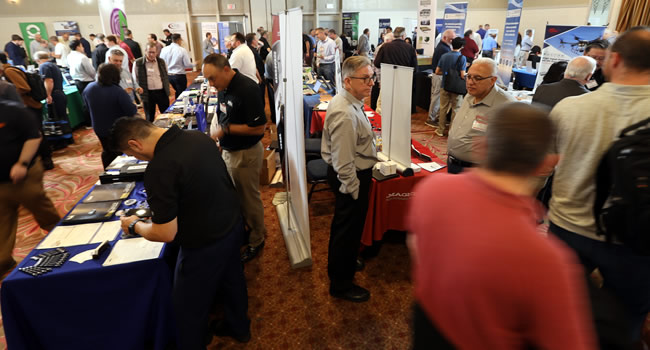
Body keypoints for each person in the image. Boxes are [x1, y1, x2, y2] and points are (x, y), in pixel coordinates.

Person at [408, 102, 598, 350]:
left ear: (481, 147)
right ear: (548, 163)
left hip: (426, 326)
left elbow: (417, 248)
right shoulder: (549, 262)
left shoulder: (431, 189)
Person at [548, 26, 650, 346]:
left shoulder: (570, 108)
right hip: (635, 237)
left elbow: (545, 167)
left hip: (568, 227)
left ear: (613, 60)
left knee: (558, 311)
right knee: (627, 319)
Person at [112, 117, 250, 348]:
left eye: (131, 153)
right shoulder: (198, 137)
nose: (136, 158)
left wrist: (134, 226)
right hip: (232, 224)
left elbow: (166, 233)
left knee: (187, 308)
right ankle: (239, 328)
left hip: (204, 243)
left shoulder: (160, 168)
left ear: (135, 144)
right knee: (233, 281)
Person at [321, 56, 378, 302]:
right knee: (347, 229)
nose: (371, 83)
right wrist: (354, 190)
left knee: (346, 228)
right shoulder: (345, 112)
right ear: (347, 81)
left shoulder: (350, 100)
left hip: (351, 174)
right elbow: (344, 162)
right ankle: (341, 283)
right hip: (350, 177)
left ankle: (342, 263)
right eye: (365, 78)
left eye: (372, 77)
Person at [205, 54, 267, 263]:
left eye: (212, 78)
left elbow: (259, 127)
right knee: (236, 197)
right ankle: (247, 230)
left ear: (225, 70)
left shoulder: (247, 89)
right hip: (230, 151)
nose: (211, 85)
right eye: (208, 80)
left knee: (249, 200)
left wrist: (226, 130)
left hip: (245, 154)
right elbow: (225, 114)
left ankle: (257, 239)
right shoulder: (224, 88)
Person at [0, 100, 61, 278]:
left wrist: (22, 163)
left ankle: (62, 235)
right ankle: (4, 260)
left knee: (41, 207)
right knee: (3, 219)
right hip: (1, 183)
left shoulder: (14, 111)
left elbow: (34, 137)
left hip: (25, 176)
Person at [447, 58, 515, 173]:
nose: (470, 82)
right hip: (452, 162)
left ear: (493, 80)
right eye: (468, 76)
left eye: (477, 78)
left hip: (477, 171)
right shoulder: (470, 94)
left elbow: (512, 146)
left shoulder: (507, 105)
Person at [1, 53, 54, 169]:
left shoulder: (9, 71)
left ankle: (46, 160)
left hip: (30, 106)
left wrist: (11, 93)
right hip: (26, 106)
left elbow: (24, 87)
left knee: (37, 133)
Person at [83, 63, 139, 168]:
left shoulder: (89, 88)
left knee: (107, 151)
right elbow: (130, 111)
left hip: (99, 127)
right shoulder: (117, 91)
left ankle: (107, 173)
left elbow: (86, 106)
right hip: (116, 128)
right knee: (119, 152)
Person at [373, 27, 418, 113]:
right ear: (403, 36)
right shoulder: (410, 48)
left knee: (383, 105)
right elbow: (415, 68)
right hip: (403, 82)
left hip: (387, 80)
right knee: (400, 106)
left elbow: (377, 63)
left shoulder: (385, 47)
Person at [435, 37, 467, 137]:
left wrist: (446, 74)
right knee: (456, 109)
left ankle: (440, 130)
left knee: (443, 108)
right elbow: (462, 75)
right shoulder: (462, 58)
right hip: (456, 87)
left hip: (444, 85)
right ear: (461, 46)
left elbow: (437, 71)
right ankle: (451, 132)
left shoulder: (444, 56)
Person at [133, 42, 170, 122]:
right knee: (149, 117)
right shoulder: (138, 63)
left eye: (153, 52)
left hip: (162, 92)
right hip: (148, 94)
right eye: (149, 52)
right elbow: (135, 79)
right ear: (145, 51)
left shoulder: (162, 62)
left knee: (166, 114)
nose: (151, 54)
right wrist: (139, 95)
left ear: (156, 52)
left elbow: (166, 76)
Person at [427, 29, 455, 127]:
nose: (453, 41)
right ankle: (432, 118)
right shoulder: (443, 49)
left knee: (437, 97)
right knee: (437, 97)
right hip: (439, 75)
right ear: (444, 38)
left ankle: (435, 117)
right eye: (451, 39)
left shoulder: (443, 47)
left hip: (438, 75)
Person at [36, 52, 68, 122]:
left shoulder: (43, 66)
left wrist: (48, 95)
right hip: (60, 93)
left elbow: (49, 81)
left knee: (56, 119)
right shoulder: (53, 65)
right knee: (63, 117)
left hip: (54, 95)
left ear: (37, 60)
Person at [160, 33, 193, 99]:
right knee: (182, 94)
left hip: (169, 76)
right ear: (178, 40)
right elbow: (187, 65)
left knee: (178, 92)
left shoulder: (164, 49)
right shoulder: (182, 50)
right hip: (179, 75)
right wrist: (194, 64)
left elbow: (161, 63)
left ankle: (176, 106)